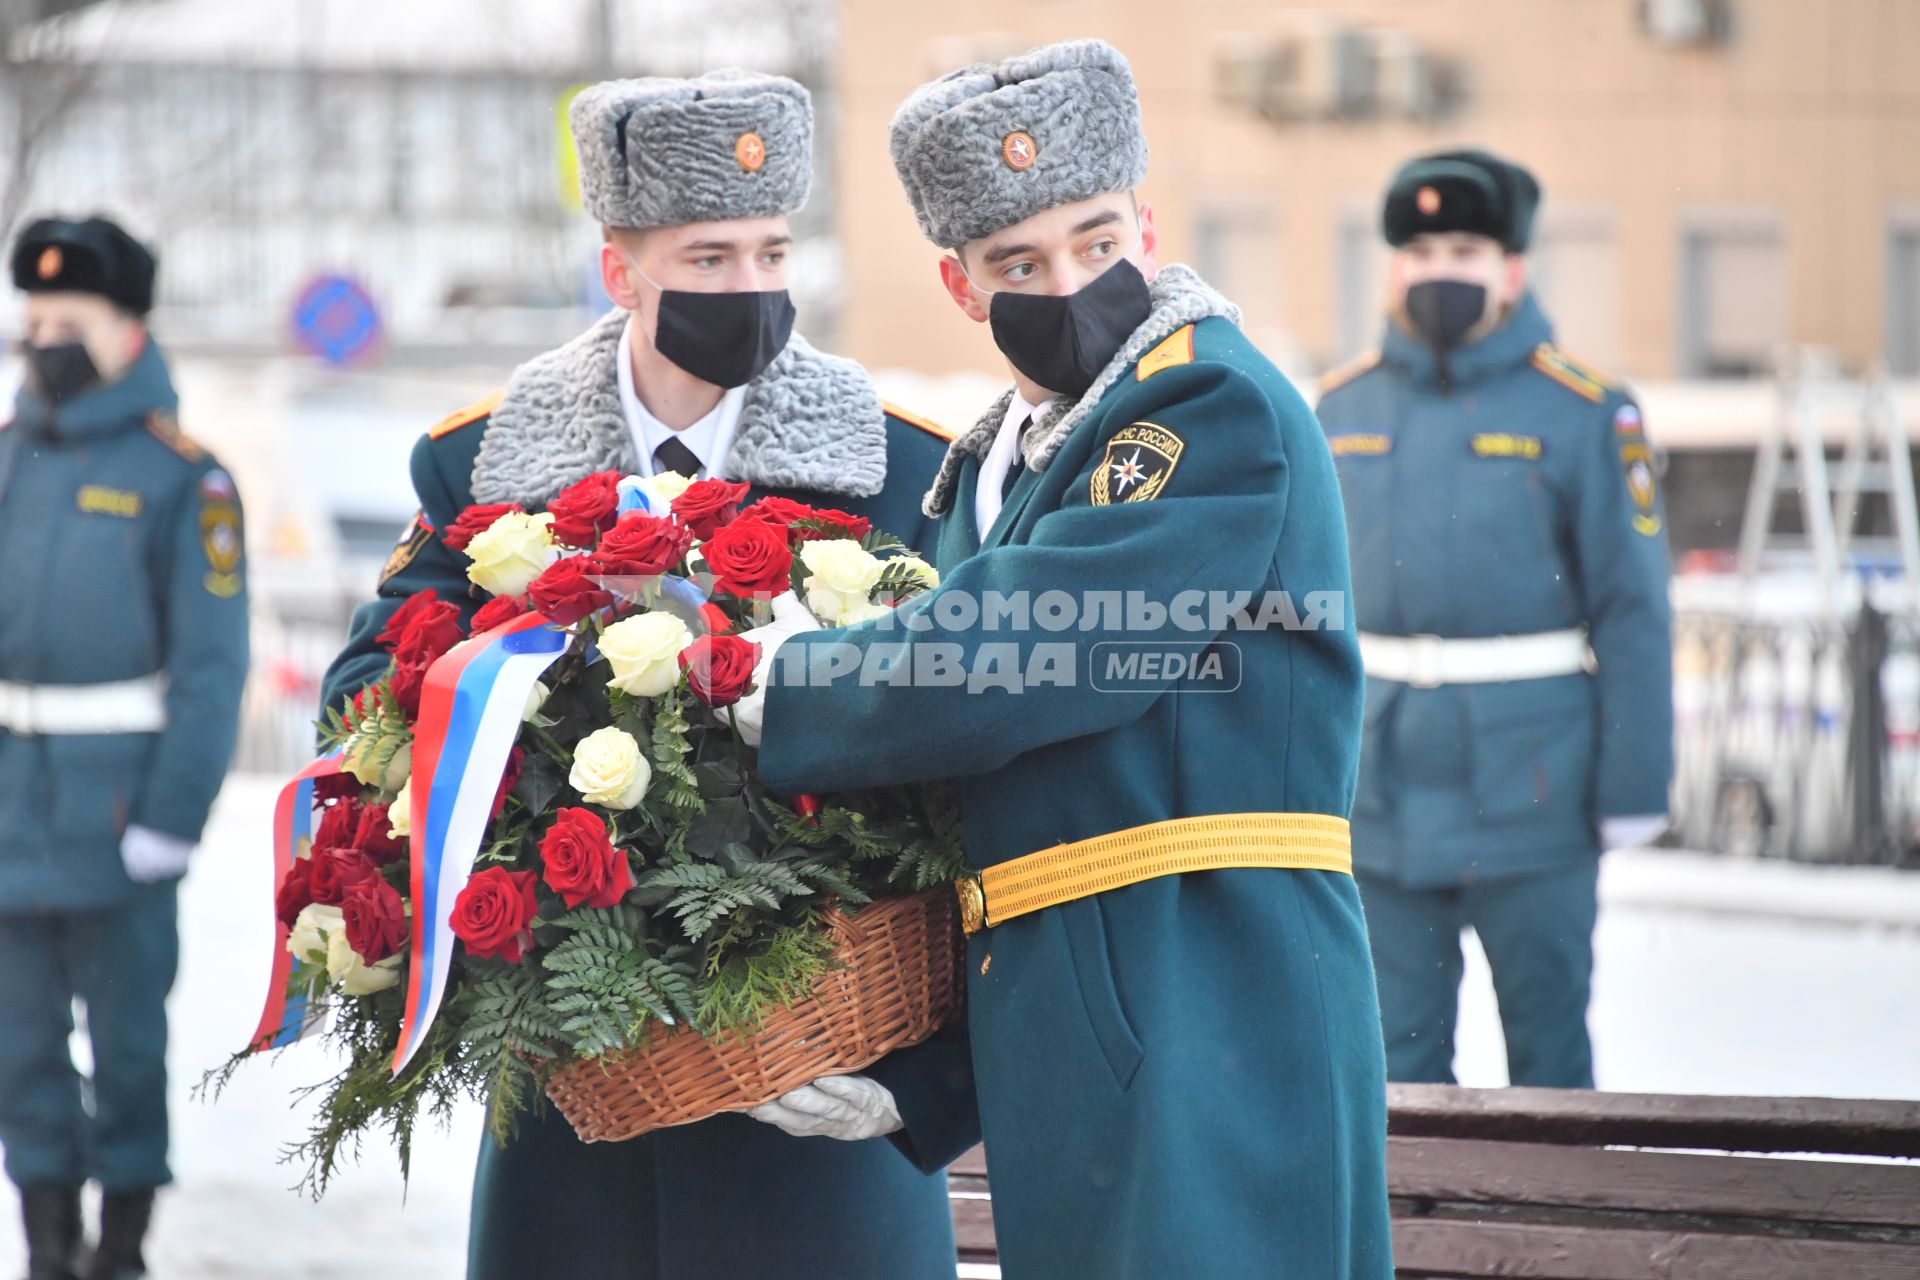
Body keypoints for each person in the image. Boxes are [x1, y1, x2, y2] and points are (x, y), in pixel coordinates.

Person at [727, 38, 1393, 1280]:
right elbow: (1021, 821)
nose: (1073, 281)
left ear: (1147, 219)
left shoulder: (1210, 403)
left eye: (1097, 241)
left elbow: (1053, 638)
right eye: (1019, 263)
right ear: (959, 284)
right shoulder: (996, 466)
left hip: (1217, 991)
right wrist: (927, 1077)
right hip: (1097, 1024)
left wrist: (805, 687)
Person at [316, 71, 961, 1280]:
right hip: (578, 1099)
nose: (750, 289)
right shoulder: (485, 467)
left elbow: (962, 751)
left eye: (772, 251)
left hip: (815, 1084)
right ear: (621, 270)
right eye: (709, 257)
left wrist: (915, 1076)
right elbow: (370, 695)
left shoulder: (897, 472)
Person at [1315, 148, 1674, 1088]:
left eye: (1467, 248)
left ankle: (1559, 1238)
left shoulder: (1585, 410)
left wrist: (1635, 783)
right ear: (1394, 263)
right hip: (1381, 788)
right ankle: (1411, 1239)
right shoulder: (1339, 404)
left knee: (1549, 1054)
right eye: (1422, 247)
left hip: (1534, 787)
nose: (1442, 269)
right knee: (1391, 1061)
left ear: (1512, 268)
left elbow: (1632, 608)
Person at [0, 216, 250, 1280]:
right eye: (34, 318)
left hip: (120, 811)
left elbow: (211, 667)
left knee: (128, 1048)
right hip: (11, 802)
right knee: (18, 1050)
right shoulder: (8, 460)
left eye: (72, 320)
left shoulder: (181, 478)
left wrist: (170, 816)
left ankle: (122, 1247)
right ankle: (47, 1247)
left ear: (128, 329)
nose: (46, 336)